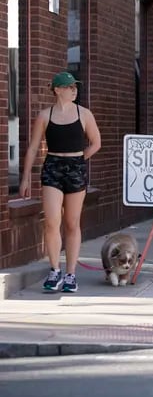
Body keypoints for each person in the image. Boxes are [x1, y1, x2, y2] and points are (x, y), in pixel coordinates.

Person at [19, 72, 101, 292]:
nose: (74, 90)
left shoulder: (84, 114)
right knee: (52, 221)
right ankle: (55, 270)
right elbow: (34, 147)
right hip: (52, 168)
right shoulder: (45, 116)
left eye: (75, 86)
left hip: (75, 168)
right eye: (69, 86)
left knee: (72, 223)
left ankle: (71, 274)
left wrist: (78, 158)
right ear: (57, 89)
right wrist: (26, 176)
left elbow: (96, 143)